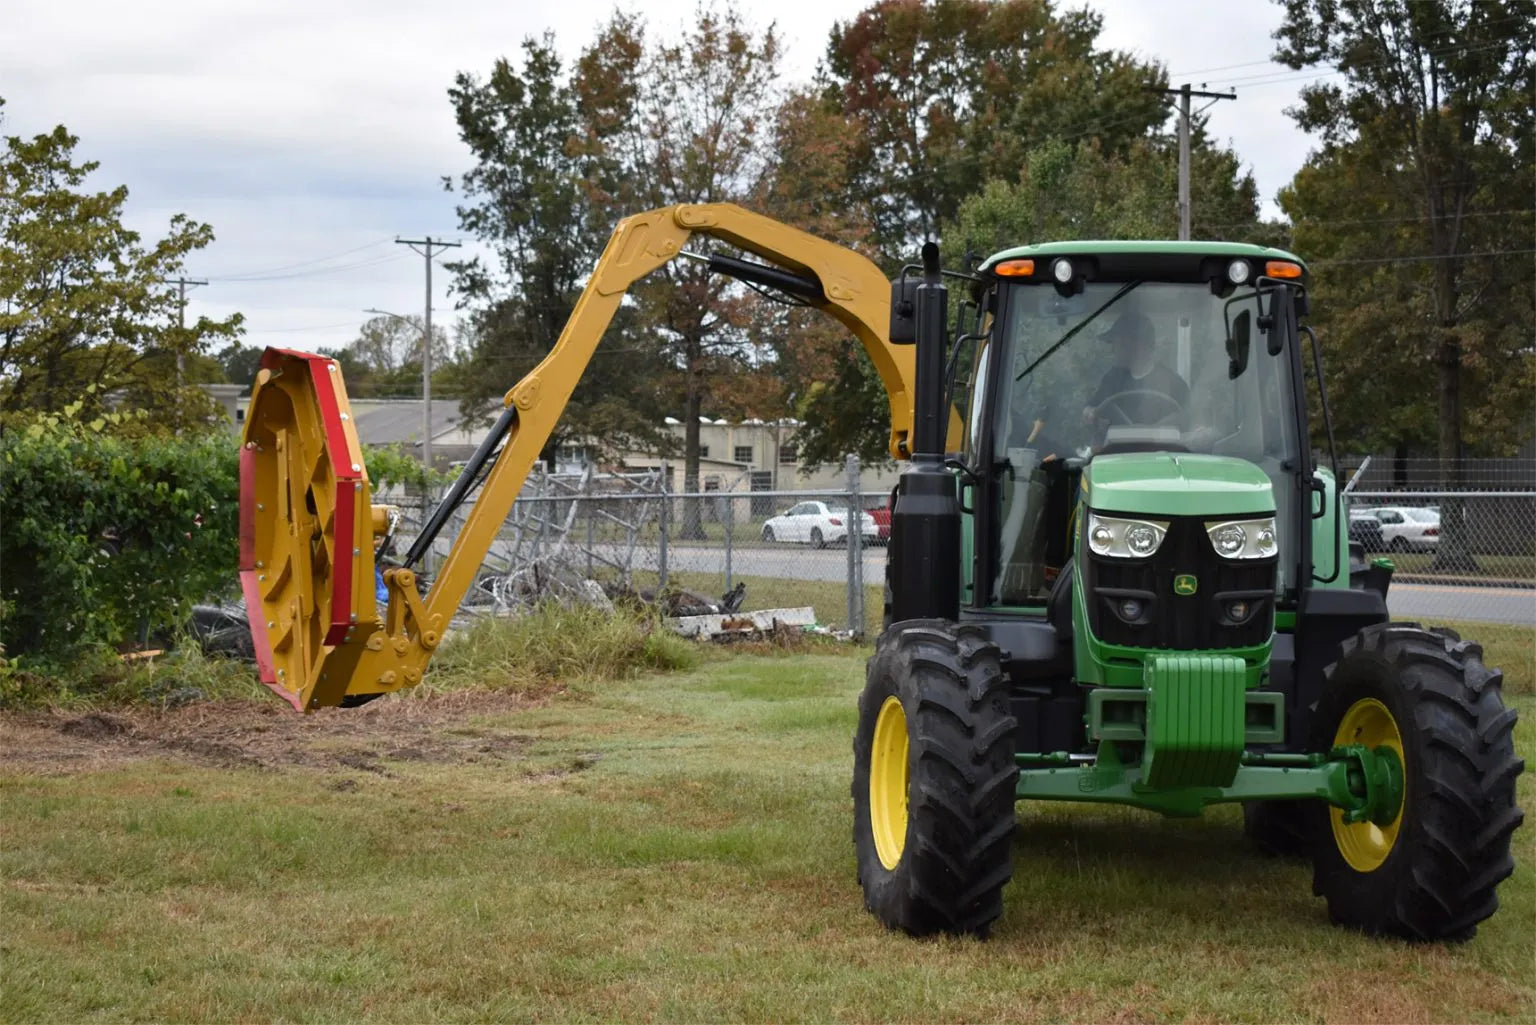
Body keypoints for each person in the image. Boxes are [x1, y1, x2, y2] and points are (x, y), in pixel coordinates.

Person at [1081, 311, 1189, 430]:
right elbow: (1092, 407)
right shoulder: (1112, 379)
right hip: (1118, 443)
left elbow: (1188, 418)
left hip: (1161, 443)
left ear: (1136, 346)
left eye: (1118, 344)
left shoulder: (1174, 383)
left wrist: (1160, 427)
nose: (1112, 351)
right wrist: (1089, 412)